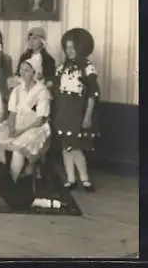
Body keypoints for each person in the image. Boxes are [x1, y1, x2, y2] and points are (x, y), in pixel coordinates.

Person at [0, 54, 52, 182]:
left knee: (18, 149)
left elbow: (40, 120)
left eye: (27, 70)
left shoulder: (42, 91)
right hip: (18, 124)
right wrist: (12, 128)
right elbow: (13, 114)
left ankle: (13, 180)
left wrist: (20, 131)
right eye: (21, 69)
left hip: (35, 127)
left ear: (35, 72)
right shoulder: (17, 90)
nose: (23, 73)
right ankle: (3, 177)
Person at [54, 28, 99, 192]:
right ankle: (70, 178)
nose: (69, 51)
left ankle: (85, 179)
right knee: (65, 146)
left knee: (75, 146)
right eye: (67, 48)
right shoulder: (62, 67)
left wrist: (87, 116)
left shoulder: (88, 67)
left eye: (73, 48)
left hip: (78, 110)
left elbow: (93, 93)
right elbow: (56, 87)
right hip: (63, 109)